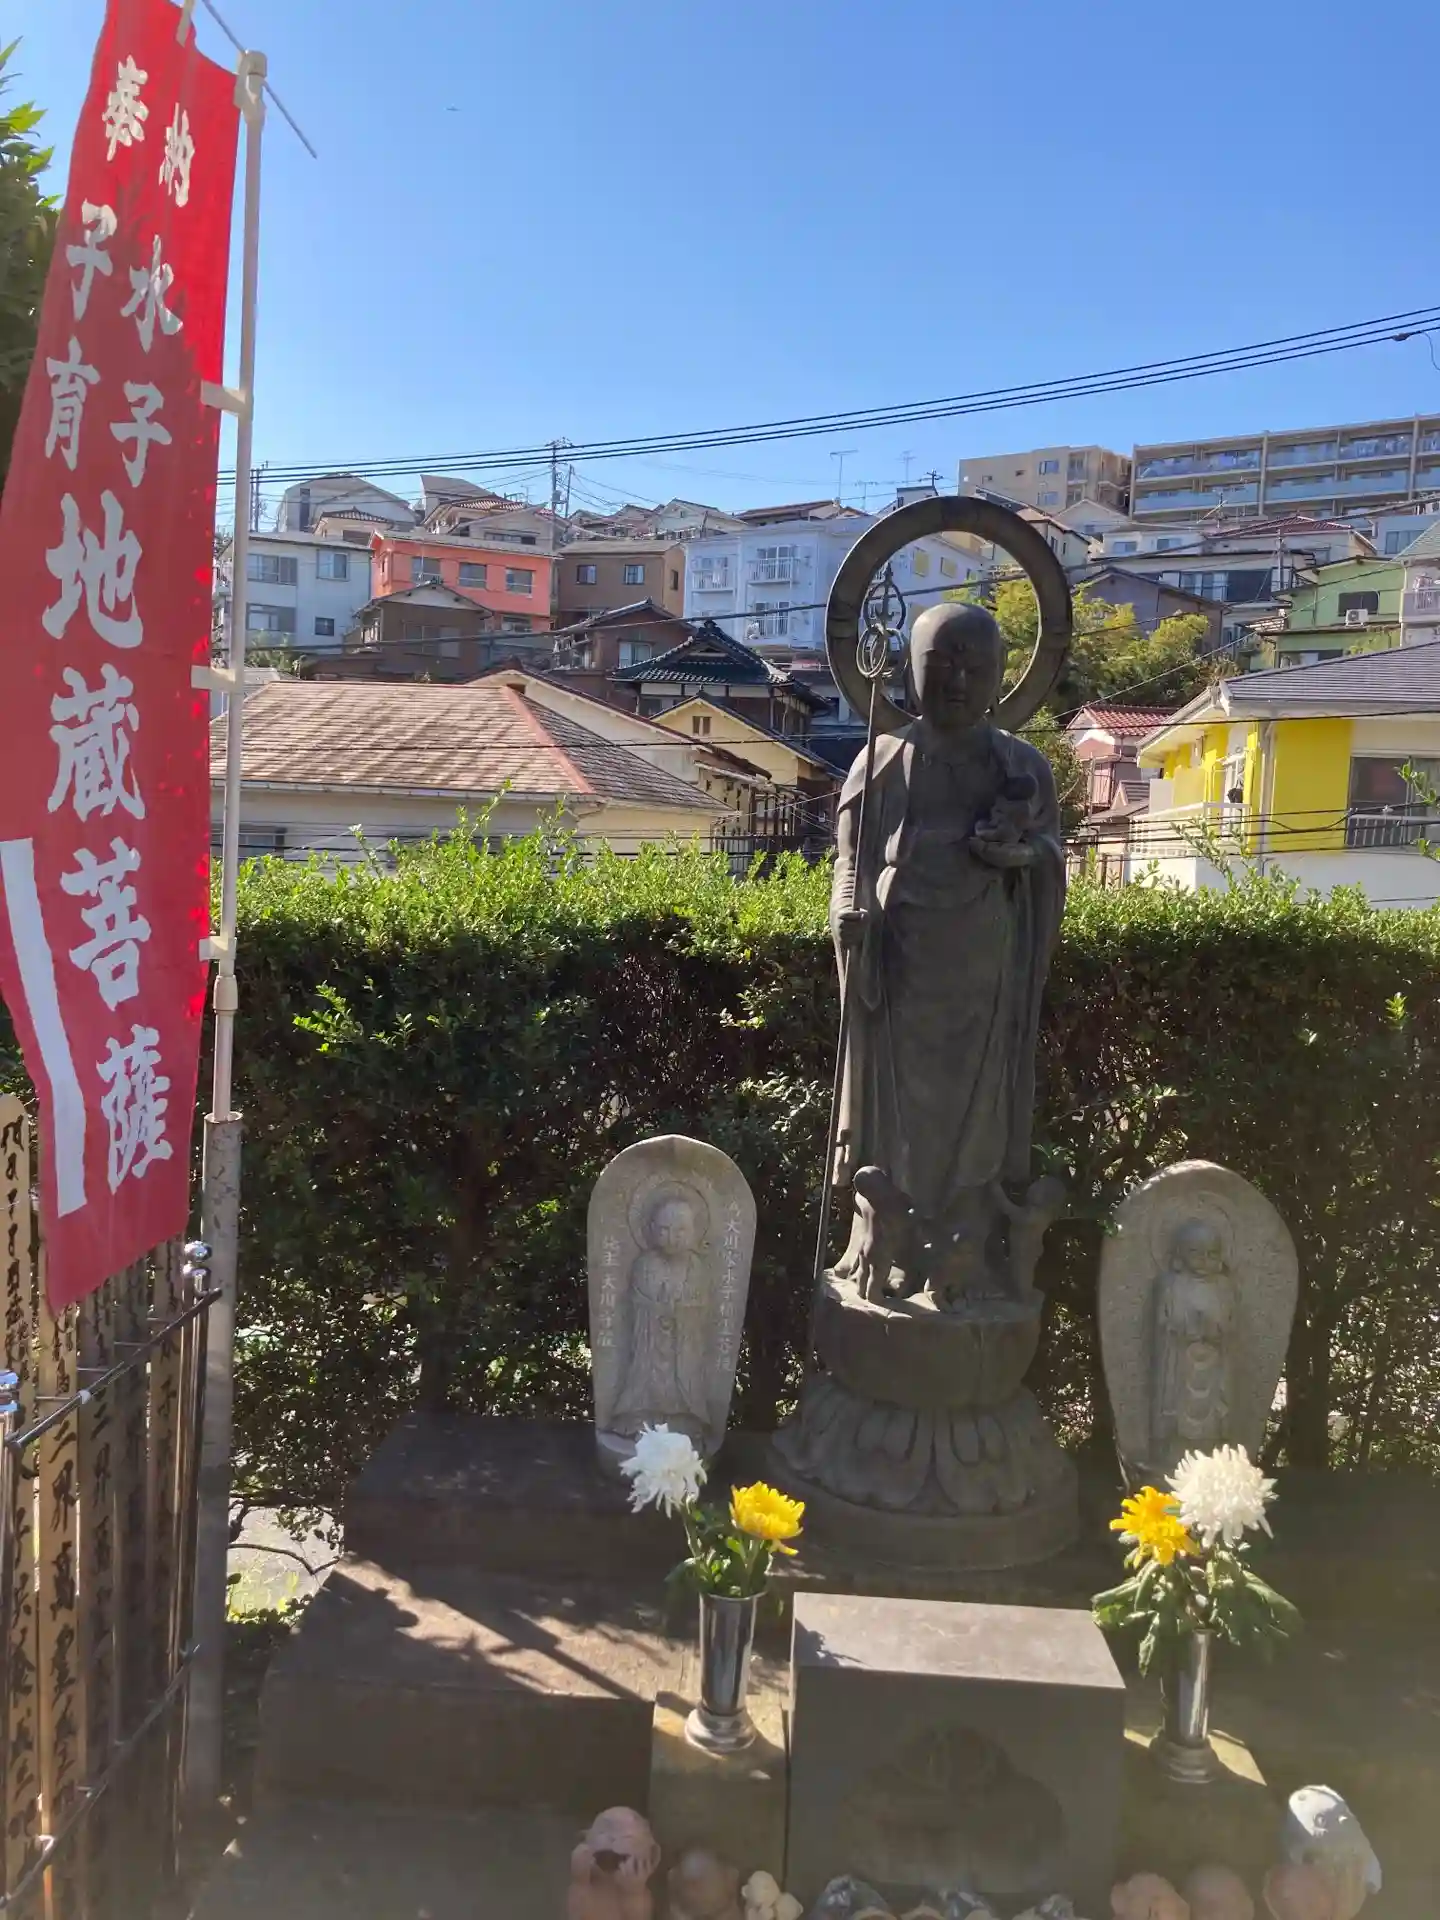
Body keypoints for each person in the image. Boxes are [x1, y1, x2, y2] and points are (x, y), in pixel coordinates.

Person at [829, 602, 1065, 1303]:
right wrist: (848, 914)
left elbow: (1049, 856)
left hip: (984, 972)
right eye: (941, 665)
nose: (958, 681)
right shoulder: (880, 760)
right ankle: (892, 1238)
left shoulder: (1021, 766)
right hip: (899, 968)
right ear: (909, 672)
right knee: (898, 1117)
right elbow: (850, 860)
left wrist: (1021, 853)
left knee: (977, 1113)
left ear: (1000, 676)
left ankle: (964, 1243)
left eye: (976, 667)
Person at [611, 1189, 711, 1440]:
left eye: (680, 1231)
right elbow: (637, 1300)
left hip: (683, 1341)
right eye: (664, 1230)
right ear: (652, 1229)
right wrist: (657, 1309)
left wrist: (682, 1311)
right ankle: (640, 1421)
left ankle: (684, 1422)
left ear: (694, 1231)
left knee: (684, 1378)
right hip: (650, 1338)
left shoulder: (696, 1267)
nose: (672, 1238)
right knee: (647, 1378)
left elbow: (701, 1304)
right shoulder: (645, 1263)